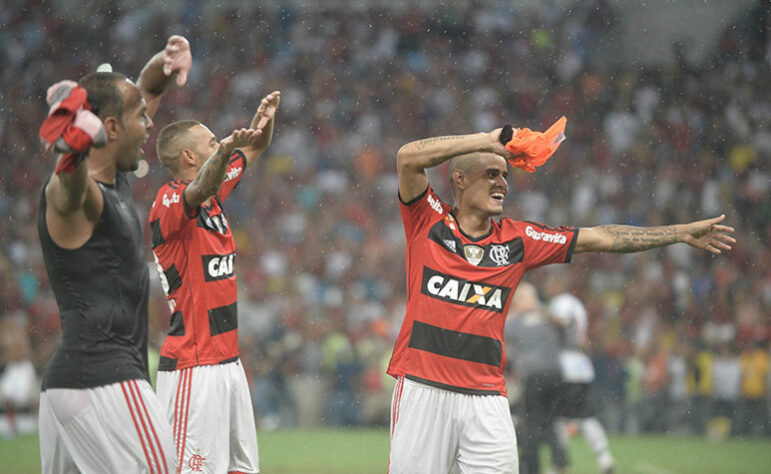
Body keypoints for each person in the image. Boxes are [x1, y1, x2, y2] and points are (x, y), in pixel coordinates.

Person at [386, 125, 735, 473]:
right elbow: (407, 158)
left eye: (505, 176)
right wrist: (487, 141)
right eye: (492, 173)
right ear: (460, 179)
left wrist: (679, 233)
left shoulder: (518, 240)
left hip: (486, 398)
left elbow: (601, 238)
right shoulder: (427, 220)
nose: (502, 184)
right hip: (423, 389)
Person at [36, 36, 192, 473]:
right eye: (141, 117)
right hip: (109, 383)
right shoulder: (79, 192)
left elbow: (145, 89)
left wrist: (165, 65)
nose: (150, 125)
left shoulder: (114, 181)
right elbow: (66, 191)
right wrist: (69, 154)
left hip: (66, 389)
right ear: (113, 129)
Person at [149, 91, 280, 474]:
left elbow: (258, 146)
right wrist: (224, 151)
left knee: (241, 467)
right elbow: (197, 189)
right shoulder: (169, 201)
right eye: (210, 142)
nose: (218, 144)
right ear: (189, 157)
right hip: (193, 365)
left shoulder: (214, 195)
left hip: (228, 362)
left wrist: (265, 120)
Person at [545, 272, 615, 474]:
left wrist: (541, 314)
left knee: (558, 417)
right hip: (582, 366)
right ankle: (604, 458)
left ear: (558, 284)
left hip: (566, 365)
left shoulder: (560, 302)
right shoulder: (576, 303)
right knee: (586, 415)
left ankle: (561, 464)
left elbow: (564, 323)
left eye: (551, 283)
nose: (548, 287)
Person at [506, 282, 570, 474]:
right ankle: (562, 461)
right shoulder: (548, 317)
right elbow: (566, 326)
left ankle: (531, 468)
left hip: (533, 375)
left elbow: (501, 330)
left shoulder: (517, 321)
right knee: (549, 420)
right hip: (555, 373)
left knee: (531, 422)